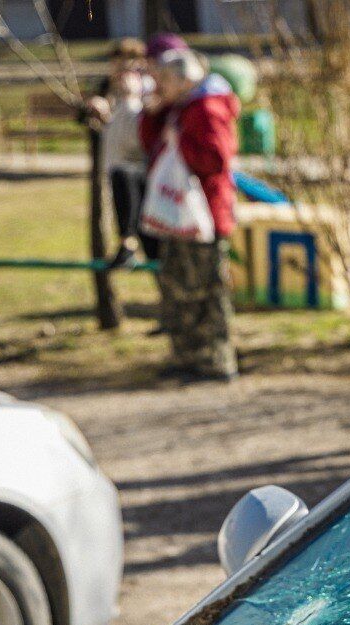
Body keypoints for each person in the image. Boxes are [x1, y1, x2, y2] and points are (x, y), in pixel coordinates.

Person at [139, 49, 241, 382]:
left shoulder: (206, 107)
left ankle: (214, 359)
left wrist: (179, 139)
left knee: (206, 289)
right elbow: (150, 144)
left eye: (165, 80)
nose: (159, 86)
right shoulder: (179, 107)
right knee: (179, 286)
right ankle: (187, 355)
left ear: (184, 80)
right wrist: (153, 116)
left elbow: (213, 160)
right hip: (180, 213)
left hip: (205, 216)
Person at [82, 39, 156, 266]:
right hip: (117, 159)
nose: (121, 70)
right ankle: (129, 245)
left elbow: (140, 128)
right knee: (125, 204)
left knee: (139, 210)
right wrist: (101, 113)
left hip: (137, 162)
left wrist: (130, 98)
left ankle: (132, 246)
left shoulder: (145, 86)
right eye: (116, 64)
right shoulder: (111, 88)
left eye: (127, 64)